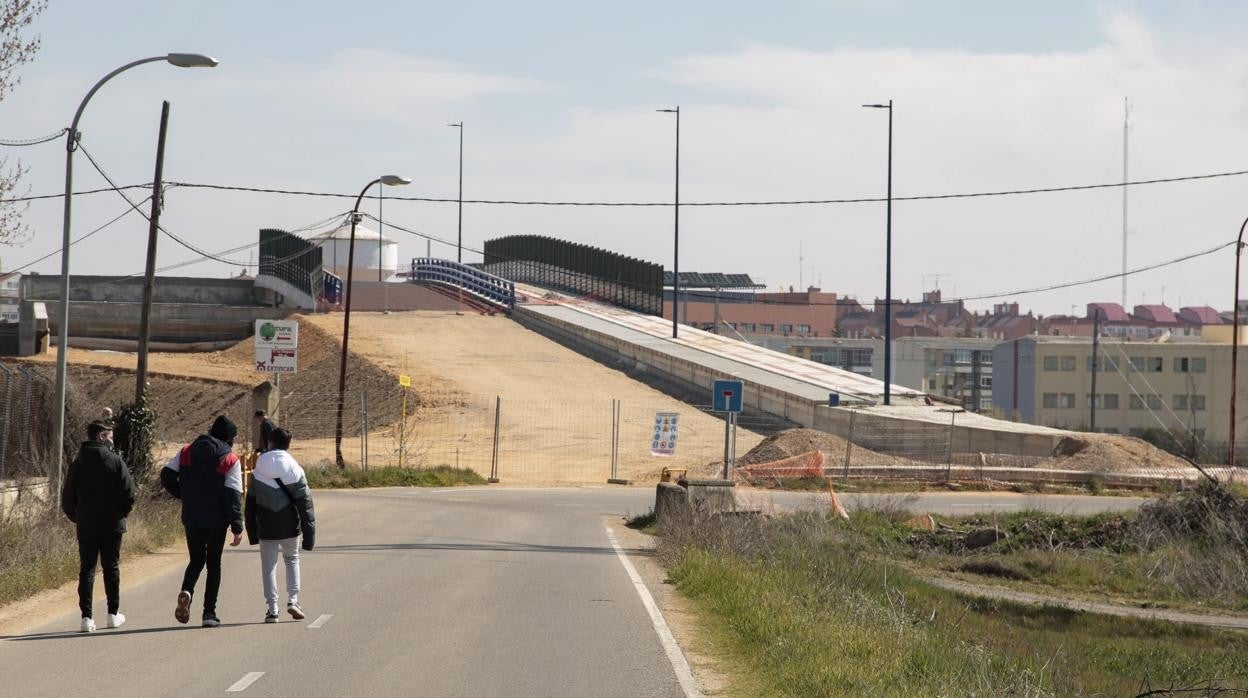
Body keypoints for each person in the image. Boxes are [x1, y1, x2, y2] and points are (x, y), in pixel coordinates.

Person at [161, 415, 244, 628]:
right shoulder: (230, 460)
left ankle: (187, 591)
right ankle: (209, 613)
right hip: (217, 520)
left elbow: (167, 476)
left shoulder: (187, 451)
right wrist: (237, 526)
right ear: (229, 439)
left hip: (192, 517)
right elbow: (233, 495)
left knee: (196, 560)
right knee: (213, 564)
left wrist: (184, 495)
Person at [61, 420, 135, 633]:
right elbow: (129, 493)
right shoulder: (115, 461)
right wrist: (122, 513)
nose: (112, 441)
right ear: (101, 437)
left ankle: (86, 618)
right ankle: (113, 614)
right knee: (111, 567)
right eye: (110, 437)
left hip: (86, 525)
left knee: (87, 569)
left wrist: (79, 518)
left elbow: (67, 499)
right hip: (112, 525)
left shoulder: (77, 465)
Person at [245, 427, 315, 623]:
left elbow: (249, 505)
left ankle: (272, 609)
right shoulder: (296, 470)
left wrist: (252, 533)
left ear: (270, 443)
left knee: (268, 566)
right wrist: (309, 536)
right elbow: (306, 505)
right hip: (290, 525)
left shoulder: (258, 470)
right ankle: (293, 600)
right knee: (291, 560)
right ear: (288, 445)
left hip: (266, 526)